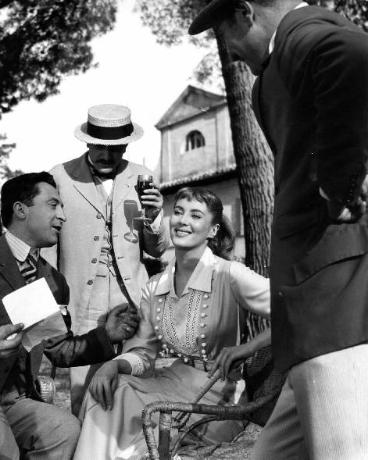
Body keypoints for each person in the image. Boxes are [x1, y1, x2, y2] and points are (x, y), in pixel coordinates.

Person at [189, 1, 368, 457]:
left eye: (225, 36)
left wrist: (339, 186)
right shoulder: (277, 68)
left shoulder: (304, 36)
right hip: (308, 321)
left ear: (247, 13)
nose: (229, 54)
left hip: (334, 311)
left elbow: (350, 55)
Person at [0, 172, 139, 460]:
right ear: (20, 209)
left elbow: (59, 350)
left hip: (15, 405)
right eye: (53, 205)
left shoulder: (54, 280)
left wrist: (107, 335)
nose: (63, 216)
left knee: (65, 429)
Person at [73, 187, 271, 460]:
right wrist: (113, 364)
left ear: (212, 230)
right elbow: (143, 354)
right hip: (170, 380)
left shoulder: (229, 274)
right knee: (108, 391)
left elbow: (291, 307)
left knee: (143, 429)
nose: (182, 221)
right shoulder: (155, 287)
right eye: (178, 212)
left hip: (215, 394)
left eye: (195, 215)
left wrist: (248, 348)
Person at [43, 103, 168, 414]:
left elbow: (157, 249)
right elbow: (47, 245)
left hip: (132, 299)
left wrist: (153, 217)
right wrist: (53, 300)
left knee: (135, 385)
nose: (108, 155)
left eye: (116, 148)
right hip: (82, 300)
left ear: (126, 144)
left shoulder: (142, 177)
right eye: (101, 146)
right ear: (88, 141)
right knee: (84, 393)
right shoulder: (60, 177)